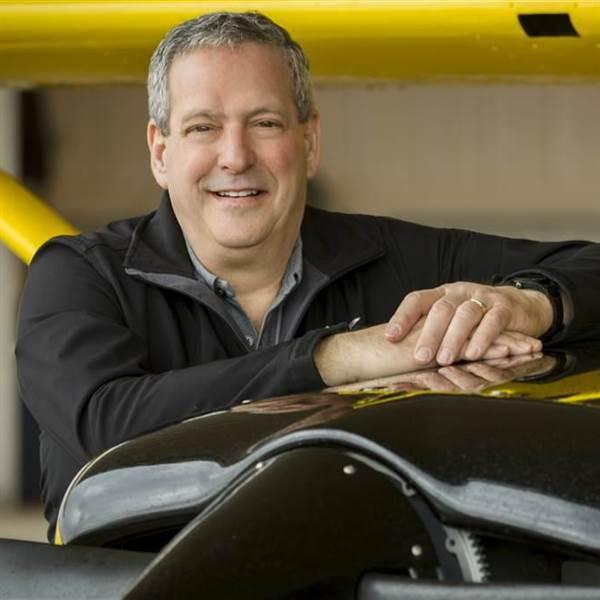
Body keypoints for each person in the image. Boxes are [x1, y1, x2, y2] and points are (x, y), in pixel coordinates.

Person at [15, 11, 600, 539]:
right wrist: (335, 359)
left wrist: (533, 303)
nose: (235, 156)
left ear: (310, 141)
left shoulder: (393, 256)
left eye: (264, 123)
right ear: (160, 152)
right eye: (202, 127)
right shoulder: (79, 274)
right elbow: (103, 424)